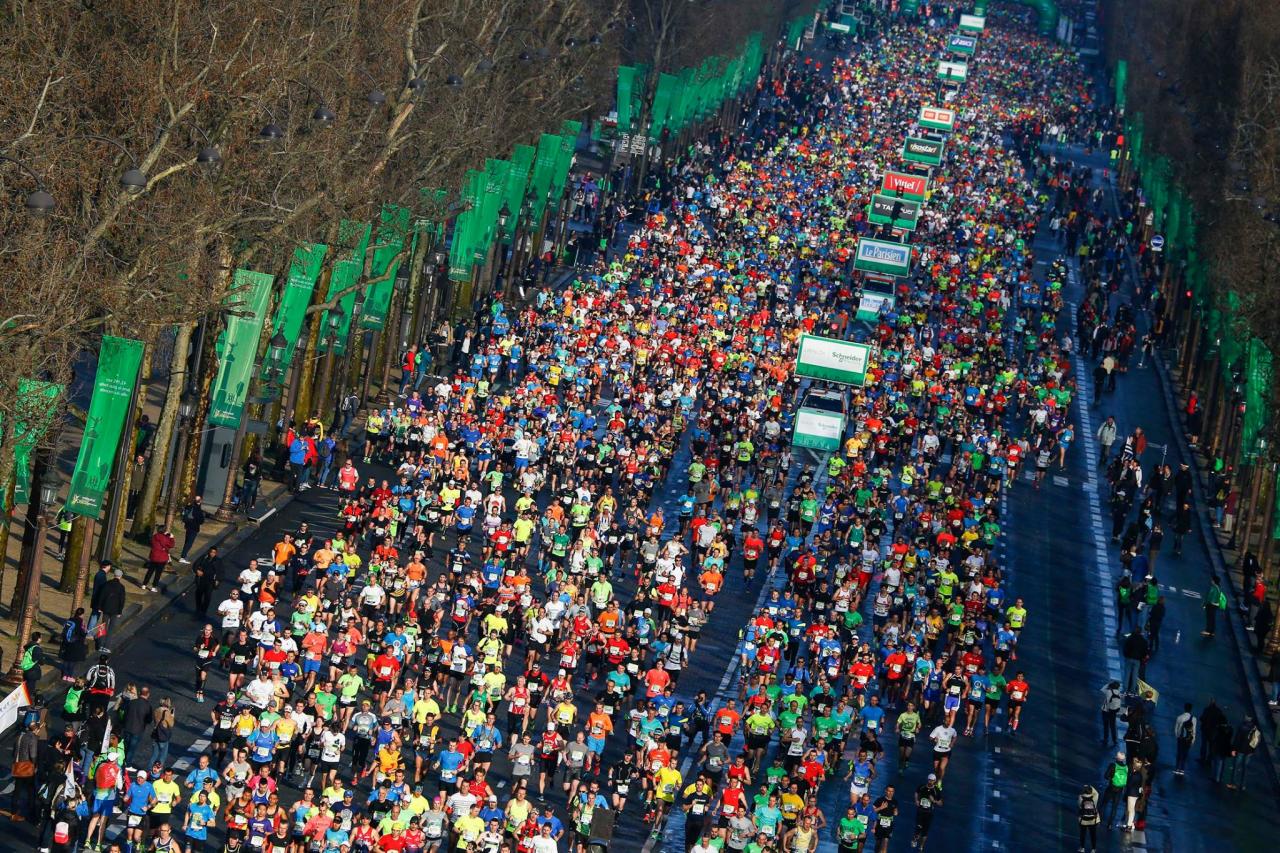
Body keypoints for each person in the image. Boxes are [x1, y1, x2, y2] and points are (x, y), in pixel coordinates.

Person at [90, 567, 127, 650]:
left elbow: (102, 596)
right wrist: (120, 612)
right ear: (120, 576)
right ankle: (107, 646)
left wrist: (100, 607)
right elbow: (122, 600)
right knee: (111, 628)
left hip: (105, 608)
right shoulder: (121, 587)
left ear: (114, 575)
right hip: (115, 610)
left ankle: (100, 645)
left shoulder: (107, 584)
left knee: (103, 626)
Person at [143, 524, 176, 591]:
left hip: (153, 556)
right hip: (162, 558)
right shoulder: (165, 538)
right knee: (158, 574)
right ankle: (153, 587)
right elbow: (171, 545)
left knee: (150, 571)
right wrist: (171, 538)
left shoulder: (154, 536)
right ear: (164, 531)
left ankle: (144, 584)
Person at [178, 495, 206, 562]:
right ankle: (183, 557)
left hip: (188, 526)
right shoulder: (198, 510)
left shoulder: (189, 507)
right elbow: (201, 521)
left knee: (187, 541)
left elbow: (184, 514)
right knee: (189, 543)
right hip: (194, 528)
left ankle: (185, 555)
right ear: (200, 501)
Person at [18, 631, 45, 698]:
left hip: (26, 669)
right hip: (32, 670)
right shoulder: (36, 648)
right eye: (41, 638)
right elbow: (39, 660)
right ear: (38, 638)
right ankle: (24, 706)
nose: (41, 639)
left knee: (25, 688)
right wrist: (42, 660)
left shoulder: (29, 646)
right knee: (30, 690)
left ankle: (22, 704)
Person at [1173, 702, 1196, 776]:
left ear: (1184, 708)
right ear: (1191, 709)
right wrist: (1193, 740)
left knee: (1179, 753)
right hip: (1188, 739)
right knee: (1185, 754)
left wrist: (1177, 736)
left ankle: (1177, 768)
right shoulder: (1194, 719)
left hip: (1181, 738)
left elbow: (1176, 729)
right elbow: (1194, 730)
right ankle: (1182, 769)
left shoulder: (1180, 717)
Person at [1077, 783, 1100, 852]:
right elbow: (1096, 793)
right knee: (1093, 835)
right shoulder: (1094, 797)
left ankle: (1082, 848)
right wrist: (1090, 786)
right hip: (1093, 820)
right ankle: (1093, 849)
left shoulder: (1080, 797)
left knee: (1082, 834)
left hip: (1083, 820)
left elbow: (1079, 806)